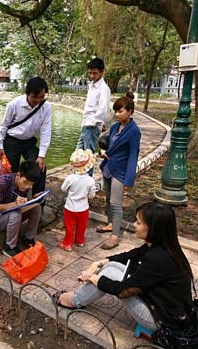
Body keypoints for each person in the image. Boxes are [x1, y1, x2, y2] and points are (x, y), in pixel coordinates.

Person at [54, 202, 194, 336]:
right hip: (161, 302)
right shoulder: (162, 245)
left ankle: (75, 301)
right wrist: (100, 262)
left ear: (153, 228)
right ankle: (78, 297)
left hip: (163, 319)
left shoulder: (157, 258)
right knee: (111, 266)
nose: (134, 225)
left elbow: (122, 291)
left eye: (138, 222)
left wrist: (92, 277)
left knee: (109, 274)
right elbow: (130, 255)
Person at [96, 94, 141, 250]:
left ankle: (115, 237)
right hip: (108, 167)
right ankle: (110, 224)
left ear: (130, 111)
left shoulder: (134, 131)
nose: (117, 114)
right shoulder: (115, 127)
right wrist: (102, 150)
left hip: (120, 172)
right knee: (108, 198)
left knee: (116, 203)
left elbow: (133, 156)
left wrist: (129, 180)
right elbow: (107, 143)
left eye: (120, 111)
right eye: (115, 111)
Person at [0, 77, 52, 197]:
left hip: (29, 142)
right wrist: (0, 146)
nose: (38, 100)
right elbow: (3, 126)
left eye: (41, 97)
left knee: (40, 168)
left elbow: (46, 131)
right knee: (11, 172)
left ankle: (37, 201)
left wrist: (41, 156)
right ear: (27, 94)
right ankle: (11, 200)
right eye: (34, 97)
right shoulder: (14, 105)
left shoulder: (46, 107)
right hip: (12, 141)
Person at [0, 160, 42, 257]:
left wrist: (34, 199)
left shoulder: (25, 185)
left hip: (11, 215)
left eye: (31, 184)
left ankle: (28, 238)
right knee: (15, 214)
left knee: (37, 207)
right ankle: (9, 247)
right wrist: (14, 204)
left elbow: (22, 203)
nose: (27, 186)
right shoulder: (1, 183)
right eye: (25, 182)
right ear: (18, 175)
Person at [76, 58, 111, 176]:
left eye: (95, 73)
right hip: (86, 125)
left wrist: (94, 123)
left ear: (102, 72)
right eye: (90, 73)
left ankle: (87, 184)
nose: (92, 75)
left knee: (88, 157)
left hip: (91, 126)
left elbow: (103, 109)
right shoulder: (92, 86)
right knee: (78, 156)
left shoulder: (104, 89)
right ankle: (78, 181)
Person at [58, 149, 98, 252]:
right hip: (83, 208)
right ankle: (80, 241)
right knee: (82, 226)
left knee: (69, 226)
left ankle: (67, 244)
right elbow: (92, 195)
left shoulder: (71, 178)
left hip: (70, 207)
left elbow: (63, 189)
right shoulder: (90, 180)